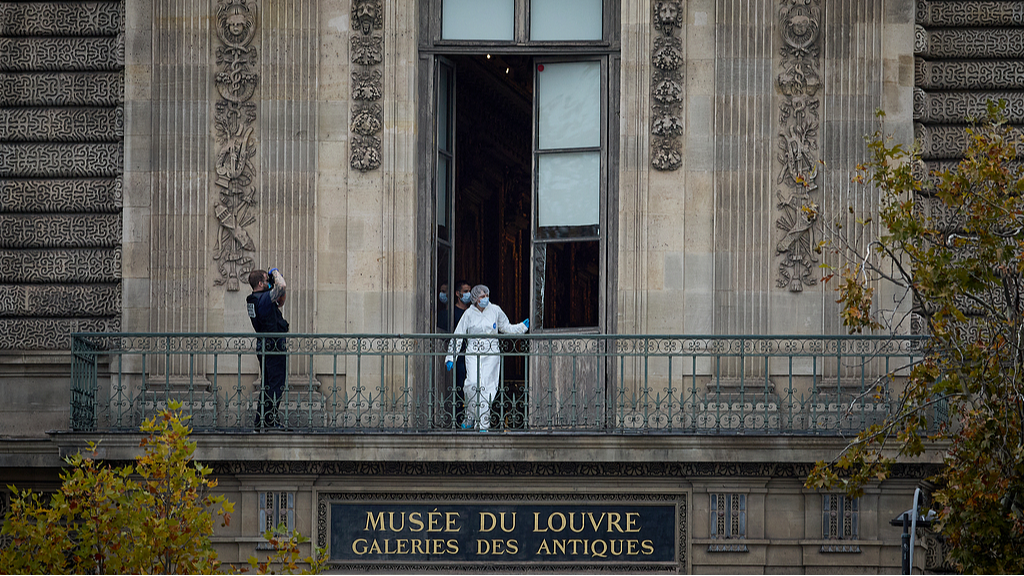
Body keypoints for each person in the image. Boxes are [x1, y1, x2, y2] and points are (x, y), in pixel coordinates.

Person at [445, 284, 529, 431]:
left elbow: (506, 327)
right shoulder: (469, 313)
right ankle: (470, 416)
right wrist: (451, 357)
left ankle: (483, 423)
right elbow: (458, 335)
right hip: (473, 353)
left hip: (491, 354)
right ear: (475, 298)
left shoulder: (495, 310)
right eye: (482, 296)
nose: (485, 299)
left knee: (487, 388)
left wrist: (522, 327)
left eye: (486, 296)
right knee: (471, 384)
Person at [247, 268, 288, 429]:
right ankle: (270, 421)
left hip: (265, 346)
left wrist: (271, 282)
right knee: (276, 385)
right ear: (260, 283)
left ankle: (261, 420)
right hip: (273, 347)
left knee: (267, 385)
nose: (269, 281)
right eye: (266, 280)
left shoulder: (255, 299)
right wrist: (276, 273)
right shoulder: (263, 299)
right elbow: (282, 287)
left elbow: (281, 300)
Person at [448, 280, 472, 427]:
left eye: (469, 290)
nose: (468, 294)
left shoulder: (472, 312)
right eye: (465, 291)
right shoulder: (452, 313)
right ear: (458, 294)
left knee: (473, 386)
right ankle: (457, 418)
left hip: (472, 354)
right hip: (460, 355)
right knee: (459, 387)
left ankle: (471, 418)